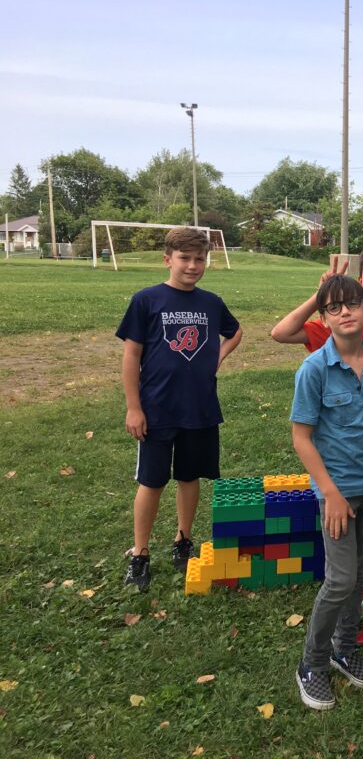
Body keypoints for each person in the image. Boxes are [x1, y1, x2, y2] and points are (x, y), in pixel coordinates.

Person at [271, 243, 363, 625]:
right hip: (340, 472)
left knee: (360, 561)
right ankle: (321, 655)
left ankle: (355, 623)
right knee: (343, 577)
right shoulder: (330, 340)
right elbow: (281, 332)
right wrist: (324, 293)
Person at [290, 275, 363, 710]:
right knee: (338, 580)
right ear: (323, 318)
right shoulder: (314, 368)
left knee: (356, 576)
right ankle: (311, 664)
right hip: (338, 492)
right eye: (334, 307)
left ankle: (344, 649)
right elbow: (302, 437)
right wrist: (331, 494)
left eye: (352, 303)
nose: (346, 312)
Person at [118, 227, 243, 591]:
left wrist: (215, 359)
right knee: (152, 481)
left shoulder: (211, 302)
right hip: (156, 408)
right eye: (185, 258)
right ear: (168, 259)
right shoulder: (147, 300)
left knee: (189, 477)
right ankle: (139, 554)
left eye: (199, 258)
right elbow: (131, 356)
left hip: (199, 408)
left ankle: (182, 540)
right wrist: (133, 407)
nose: (192, 265)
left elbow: (234, 332)